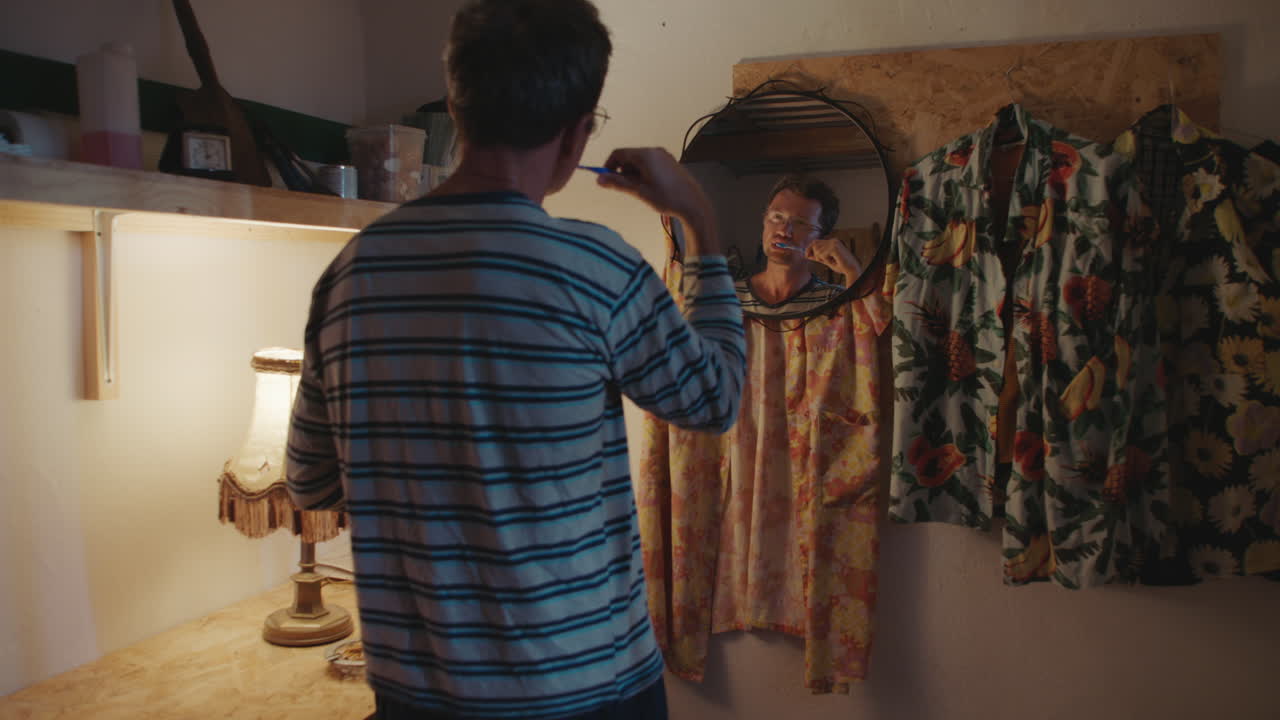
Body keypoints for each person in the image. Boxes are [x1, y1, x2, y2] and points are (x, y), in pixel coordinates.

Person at [285, 1, 745, 718]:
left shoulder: (350, 276)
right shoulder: (596, 270)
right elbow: (717, 400)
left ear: (455, 110)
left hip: (419, 700)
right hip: (588, 695)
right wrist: (701, 223)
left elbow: (311, 484)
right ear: (577, 134)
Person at [735, 174, 863, 316]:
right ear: (764, 220)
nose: (783, 232)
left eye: (800, 223)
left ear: (823, 238)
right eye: (777, 217)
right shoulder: (726, 298)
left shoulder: (833, 299)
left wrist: (853, 271)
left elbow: (861, 332)